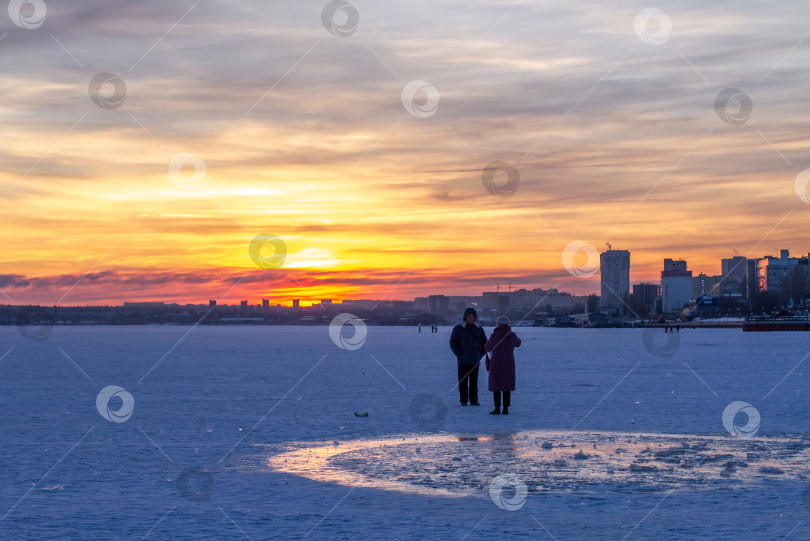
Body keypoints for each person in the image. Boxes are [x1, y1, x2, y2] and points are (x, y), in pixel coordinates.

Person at [449, 307, 487, 406]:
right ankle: (463, 400)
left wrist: (480, 354)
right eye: (469, 316)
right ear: (465, 317)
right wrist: (459, 354)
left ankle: (474, 400)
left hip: (475, 360)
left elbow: (485, 343)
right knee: (463, 382)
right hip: (463, 361)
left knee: (474, 382)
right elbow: (453, 343)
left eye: (472, 316)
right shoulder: (458, 328)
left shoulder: (479, 328)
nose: (471, 317)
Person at [485, 316, 521, 415]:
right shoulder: (512, 335)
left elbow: (487, 348)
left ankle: (497, 408)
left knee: (496, 386)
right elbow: (518, 343)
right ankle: (505, 408)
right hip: (509, 363)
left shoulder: (494, 335)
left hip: (496, 363)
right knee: (506, 386)